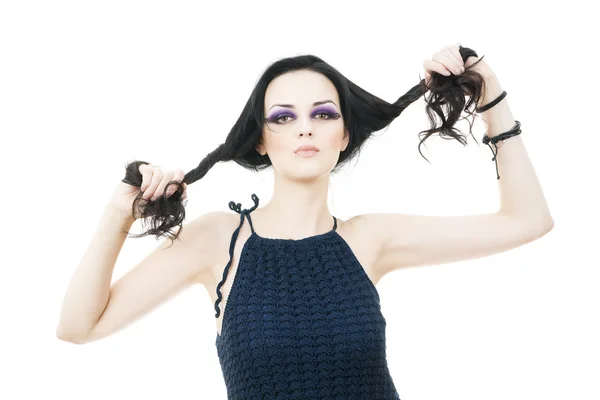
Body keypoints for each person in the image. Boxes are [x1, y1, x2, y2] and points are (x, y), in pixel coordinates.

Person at [56, 44, 554, 399]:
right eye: (283, 118)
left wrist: (489, 91)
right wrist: (118, 215)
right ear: (259, 140)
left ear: (344, 136)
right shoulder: (218, 241)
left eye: (322, 114)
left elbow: (527, 221)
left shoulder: (369, 239)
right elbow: (79, 327)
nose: (305, 129)